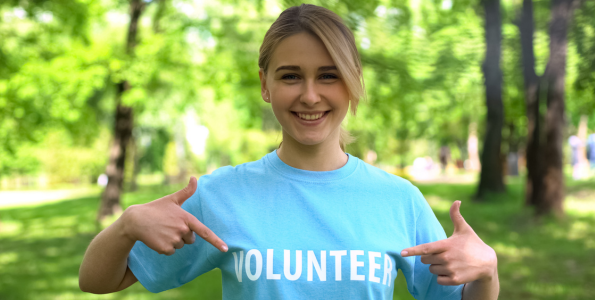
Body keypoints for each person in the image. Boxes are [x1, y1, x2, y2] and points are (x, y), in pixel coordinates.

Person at [79, 4, 499, 300]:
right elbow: (97, 281)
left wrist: (487, 272)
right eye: (291, 76)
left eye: (329, 76)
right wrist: (127, 225)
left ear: (352, 82)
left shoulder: (398, 200)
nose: (311, 95)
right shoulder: (221, 195)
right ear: (265, 84)